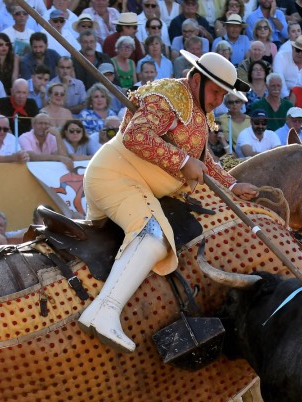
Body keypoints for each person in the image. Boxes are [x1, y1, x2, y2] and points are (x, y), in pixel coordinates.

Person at [79, 51, 258, 352]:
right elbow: (136, 135)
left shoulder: (198, 109)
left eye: (223, 94)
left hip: (134, 181)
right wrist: (182, 160)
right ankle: (104, 311)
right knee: (153, 237)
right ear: (197, 79)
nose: (219, 100)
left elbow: (203, 161)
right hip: (117, 177)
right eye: (216, 91)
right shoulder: (169, 95)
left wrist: (232, 184)